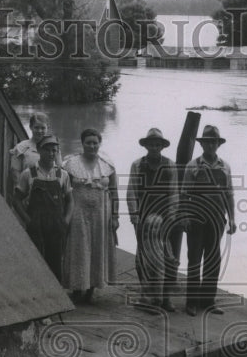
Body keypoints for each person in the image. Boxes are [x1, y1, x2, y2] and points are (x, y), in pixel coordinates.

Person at [181, 125, 236, 316]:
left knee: (213, 260)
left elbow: (229, 194)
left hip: (217, 219)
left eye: (213, 142)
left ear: (218, 144)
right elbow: (184, 195)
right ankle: (192, 303)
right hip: (196, 219)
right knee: (194, 259)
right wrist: (185, 216)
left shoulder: (225, 166)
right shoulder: (192, 166)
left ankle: (208, 301)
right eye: (207, 142)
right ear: (202, 144)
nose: (210, 145)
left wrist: (232, 219)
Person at [63, 128, 118, 302]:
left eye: (95, 142)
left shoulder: (107, 165)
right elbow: (64, 190)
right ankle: (77, 288)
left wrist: (115, 216)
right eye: (88, 142)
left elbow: (114, 192)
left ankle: (91, 289)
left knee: (97, 247)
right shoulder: (70, 164)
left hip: (101, 212)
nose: (92, 146)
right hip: (78, 210)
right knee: (79, 247)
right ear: (82, 143)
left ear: (99, 143)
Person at [128, 128, 179, 312]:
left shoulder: (170, 166)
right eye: (151, 144)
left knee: (167, 258)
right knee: (142, 258)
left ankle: (165, 298)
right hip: (144, 219)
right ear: (146, 146)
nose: (154, 147)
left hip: (163, 219)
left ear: (162, 147)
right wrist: (134, 216)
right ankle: (147, 296)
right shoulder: (137, 165)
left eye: (158, 144)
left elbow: (174, 193)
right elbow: (132, 191)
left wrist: (172, 216)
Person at [13, 134, 71, 281]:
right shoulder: (29, 173)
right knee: (36, 261)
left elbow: (71, 200)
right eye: (47, 150)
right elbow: (16, 200)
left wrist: (66, 221)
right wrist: (28, 220)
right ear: (39, 150)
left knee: (56, 261)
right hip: (36, 224)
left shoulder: (62, 174)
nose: (51, 154)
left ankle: (57, 298)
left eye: (54, 151)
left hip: (56, 225)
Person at [9, 113, 53, 213]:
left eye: (43, 128)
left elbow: (59, 171)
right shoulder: (21, 147)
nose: (39, 131)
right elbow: (15, 173)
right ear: (30, 127)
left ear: (47, 128)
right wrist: (23, 195)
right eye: (36, 127)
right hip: (27, 194)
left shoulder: (53, 147)